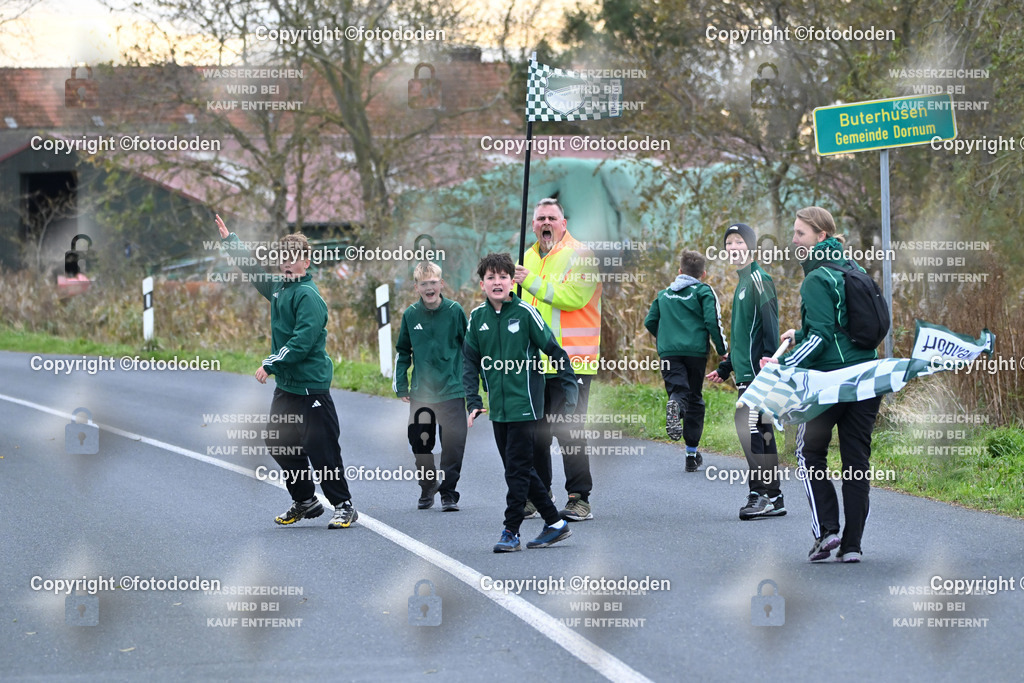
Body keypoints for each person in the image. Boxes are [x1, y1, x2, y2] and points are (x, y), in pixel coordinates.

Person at [214, 214, 357, 528]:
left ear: (306, 262)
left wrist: (270, 363)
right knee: (278, 441)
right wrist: (230, 241)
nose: (286, 264)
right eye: (282, 258)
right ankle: (305, 500)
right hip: (289, 387)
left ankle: (344, 504)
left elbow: (301, 342)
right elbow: (253, 271)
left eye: (293, 259)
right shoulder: (279, 287)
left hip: (311, 387)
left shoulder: (309, 297)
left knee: (322, 449)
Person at [761, 206, 882, 563]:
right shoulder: (853, 268)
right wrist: (798, 333)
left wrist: (780, 364)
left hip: (829, 384)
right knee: (856, 462)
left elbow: (823, 341)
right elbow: (845, 327)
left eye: (801, 233)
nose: (794, 239)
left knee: (809, 452)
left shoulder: (816, 278)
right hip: (867, 378)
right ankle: (853, 546)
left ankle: (827, 530)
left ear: (821, 237)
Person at [463, 252, 579, 553]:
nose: (497, 282)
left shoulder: (526, 313)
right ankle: (555, 524)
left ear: (512, 281)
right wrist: (473, 401)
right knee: (519, 470)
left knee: (517, 471)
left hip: (526, 407)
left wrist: (570, 394)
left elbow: (556, 352)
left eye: (503, 276)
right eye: (491, 278)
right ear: (482, 284)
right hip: (498, 409)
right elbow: (469, 362)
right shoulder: (477, 318)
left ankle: (510, 531)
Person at [514, 198, 600, 522]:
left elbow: (573, 297)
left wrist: (529, 280)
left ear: (564, 223)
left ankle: (580, 498)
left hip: (573, 362)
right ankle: (539, 495)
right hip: (537, 362)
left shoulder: (582, 256)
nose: (545, 223)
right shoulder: (528, 258)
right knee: (536, 432)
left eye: (552, 218)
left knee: (569, 431)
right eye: (540, 219)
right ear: (533, 225)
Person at [706, 223, 785, 519]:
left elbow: (769, 324)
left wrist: (768, 360)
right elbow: (742, 336)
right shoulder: (742, 283)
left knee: (749, 426)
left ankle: (761, 493)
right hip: (745, 372)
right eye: (729, 243)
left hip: (758, 374)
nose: (733, 247)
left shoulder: (759, 279)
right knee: (761, 431)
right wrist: (726, 367)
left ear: (750, 247)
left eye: (739, 242)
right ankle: (773, 496)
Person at [393, 261, 468, 511]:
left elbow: (469, 349)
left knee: (453, 445)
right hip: (422, 393)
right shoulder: (410, 315)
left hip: (452, 389)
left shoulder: (455, 311)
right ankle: (428, 485)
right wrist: (401, 385)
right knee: (420, 443)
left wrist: (472, 383)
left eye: (433, 282)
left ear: (441, 284)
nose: (429, 287)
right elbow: (403, 351)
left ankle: (448, 492)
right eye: (424, 284)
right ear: (416, 287)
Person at [644, 249, 728, 471]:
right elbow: (713, 321)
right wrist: (723, 350)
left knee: (678, 392)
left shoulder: (663, 295)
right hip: (695, 352)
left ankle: (675, 406)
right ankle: (691, 455)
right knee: (694, 398)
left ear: (679, 271)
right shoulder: (703, 292)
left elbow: (650, 321)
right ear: (704, 273)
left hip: (668, 352)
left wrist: (666, 339)